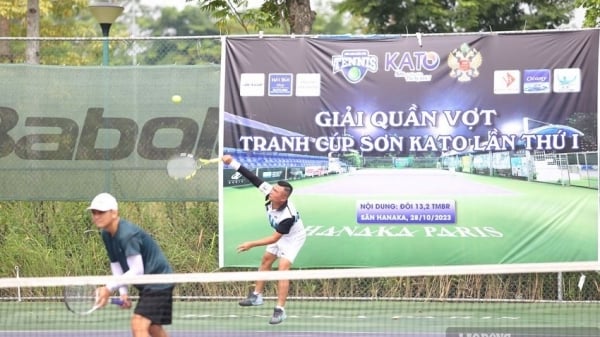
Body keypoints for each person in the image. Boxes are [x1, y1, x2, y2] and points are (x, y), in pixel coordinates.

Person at [222, 154, 307, 325]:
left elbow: (275, 238)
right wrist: (231, 162)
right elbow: (251, 176)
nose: (271, 190)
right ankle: (257, 296)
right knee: (266, 260)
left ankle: (280, 310)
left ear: (283, 198)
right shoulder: (270, 192)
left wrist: (251, 244)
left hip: (293, 238)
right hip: (280, 234)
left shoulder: (287, 215)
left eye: (275, 191)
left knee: (283, 269)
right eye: (273, 188)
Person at [87, 192, 174, 337]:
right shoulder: (106, 234)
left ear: (114, 213)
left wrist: (108, 288)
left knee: (138, 324)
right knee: (153, 328)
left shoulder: (127, 234)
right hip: (148, 284)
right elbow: (116, 264)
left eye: (101, 212)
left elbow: (137, 270)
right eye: (94, 212)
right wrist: (123, 293)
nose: (96, 216)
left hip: (158, 281)